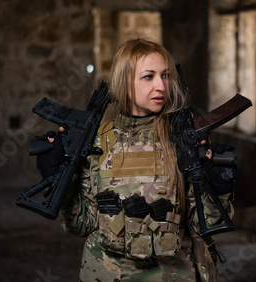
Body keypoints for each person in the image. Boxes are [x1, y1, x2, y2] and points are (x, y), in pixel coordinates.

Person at [52, 38, 235, 281]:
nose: (161, 85)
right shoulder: (98, 141)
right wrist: (60, 180)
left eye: (166, 76)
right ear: (125, 83)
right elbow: (81, 223)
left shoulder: (181, 138)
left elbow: (205, 223)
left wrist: (219, 187)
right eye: (148, 76)